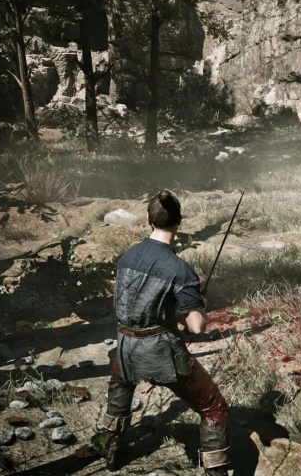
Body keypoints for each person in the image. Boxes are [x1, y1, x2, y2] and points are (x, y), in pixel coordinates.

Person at [103, 189, 230, 475]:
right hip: (162, 352)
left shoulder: (127, 257)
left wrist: (178, 311)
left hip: (125, 348)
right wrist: (199, 307)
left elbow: (134, 307)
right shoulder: (179, 268)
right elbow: (196, 327)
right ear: (179, 222)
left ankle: (111, 456)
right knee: (213, 408)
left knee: (120, 388)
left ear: (149, 219)